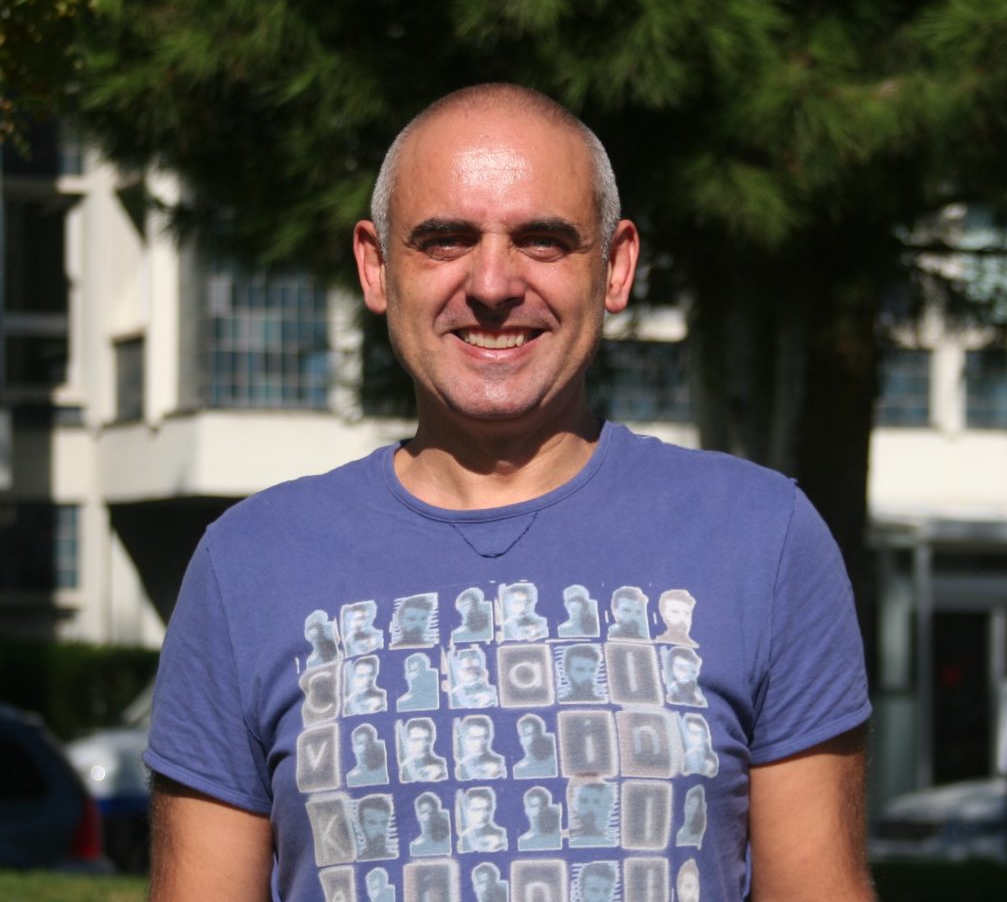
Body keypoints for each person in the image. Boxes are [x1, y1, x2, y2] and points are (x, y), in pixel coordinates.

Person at [146, 83, 873, 902]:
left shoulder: (762, 541)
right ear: (376, 267)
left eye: (543, 241)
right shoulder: (249, 564)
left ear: (616, 266)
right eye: (445, 240)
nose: (492, 284)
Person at [455, 716, 506, 781]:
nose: (480, 743)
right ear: (464, 738)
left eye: (484, 738)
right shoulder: (462, 764)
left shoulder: (497, 764)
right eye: (473, 738)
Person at [457, 787, 507, 853]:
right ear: (466, 810)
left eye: (487, 809)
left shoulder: (499, 837)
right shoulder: (462, 838)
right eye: (476, 810)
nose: (482, 814)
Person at [398, 718, 448, 783]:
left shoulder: (441, 766)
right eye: (416, 739)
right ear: (406, 740)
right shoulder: (400, 767)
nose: (422, 744)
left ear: (431, 740)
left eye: (426, 739)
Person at [512, 714, 558, 779]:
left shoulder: (554, 756)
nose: (532, 739)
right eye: (524, 735)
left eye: (529, 734)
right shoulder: (518, 769)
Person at [517, 786, 562, 851]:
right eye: (533, 806)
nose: (539, 810)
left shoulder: (524, 842)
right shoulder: (522, 841)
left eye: (542, 806)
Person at [347, 724, 388, 788]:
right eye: (360, 743)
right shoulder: (351, 778)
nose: (364, 747)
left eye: (368, 743)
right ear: (354, 748)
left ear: (374, 744)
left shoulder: (385, 768)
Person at [410, 792, 452, 857]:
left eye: (429, 811)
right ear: (418, 816)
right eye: (423, 812)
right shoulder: (415, 845)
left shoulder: (447, 823)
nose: (427, 815)